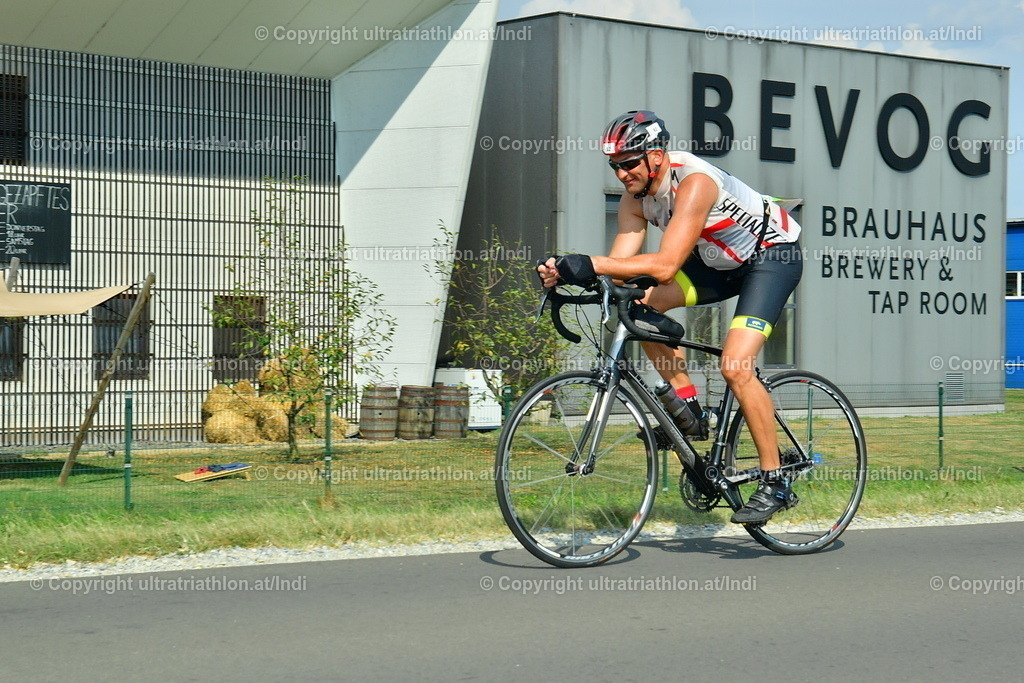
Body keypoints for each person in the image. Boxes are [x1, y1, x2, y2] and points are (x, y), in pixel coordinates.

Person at [537, 110, 803, 524]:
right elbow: (619, 269)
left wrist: (591, 262)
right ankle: (689, 409)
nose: (621, 174)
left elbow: (663, 266)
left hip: (770, 257)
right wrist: (567, 272)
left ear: (657, 156)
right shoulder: (635, 199)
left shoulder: (694, 183)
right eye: (614, 165)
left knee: (735, 366)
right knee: (636, 307)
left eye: (628, 163)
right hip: (716, 262)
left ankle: (775, 481)